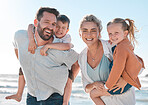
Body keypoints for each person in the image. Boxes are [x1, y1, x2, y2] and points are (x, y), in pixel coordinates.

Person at [7, 7, 79, 105]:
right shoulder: (20, 36)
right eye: (46, 22)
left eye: (53, 24)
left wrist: (70, 80)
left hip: (56, 99)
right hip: (32, 98)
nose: (50, 27)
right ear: (36, 22)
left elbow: (77, 62)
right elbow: (16, 45)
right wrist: (24, 63)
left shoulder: (60, 48)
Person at [78, 14, 144, 105]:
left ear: (99, 33)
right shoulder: (81, 57)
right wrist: (94, 85)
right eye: (85, 30)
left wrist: (125, 80)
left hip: (124, 101)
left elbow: (139, 65)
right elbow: (86, 88)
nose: (89, 34)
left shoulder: (113, 46)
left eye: (93, 30)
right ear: (80, 33)